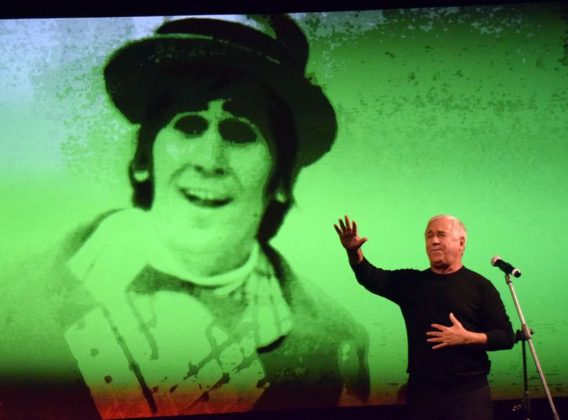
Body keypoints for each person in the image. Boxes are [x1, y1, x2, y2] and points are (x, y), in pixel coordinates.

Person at [1, 15, 369, 420]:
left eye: (239, 133)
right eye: (189, 126)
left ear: (281, 177)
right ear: (143, 157)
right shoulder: (16, 299)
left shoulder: (335, 347)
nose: (209, 161)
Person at [334, 214, 515, 420]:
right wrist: (353, 251)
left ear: (461, 242)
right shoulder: (412, 283)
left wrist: (468, 338)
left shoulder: (480, 286)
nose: (433, 241)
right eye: (429, 236)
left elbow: (506, 337)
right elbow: (371, 277)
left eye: (441, 235)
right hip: (423, 395)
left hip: (469, 395)